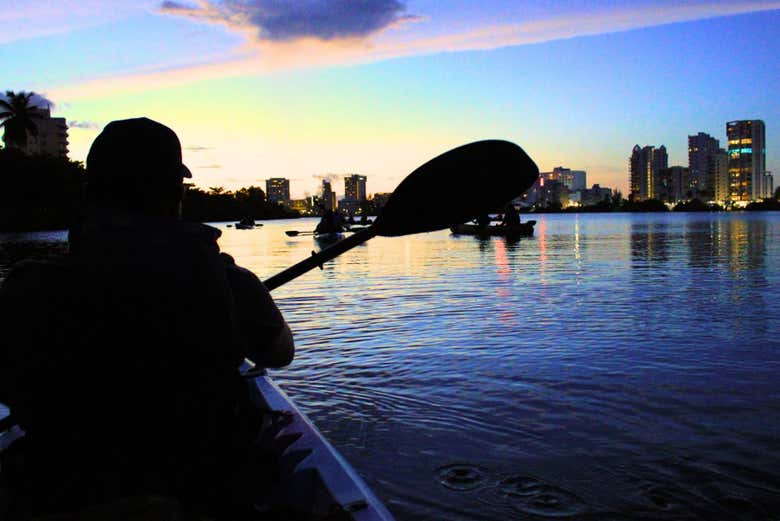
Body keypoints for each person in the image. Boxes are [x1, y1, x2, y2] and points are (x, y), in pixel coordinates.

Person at [0, 117, 294, 518]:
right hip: (206, 492)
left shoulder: (25, 286)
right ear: (175, 193)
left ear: (90, 195)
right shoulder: (226, 279)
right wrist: (238, 286)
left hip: (71, 490)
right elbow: (280, 352)